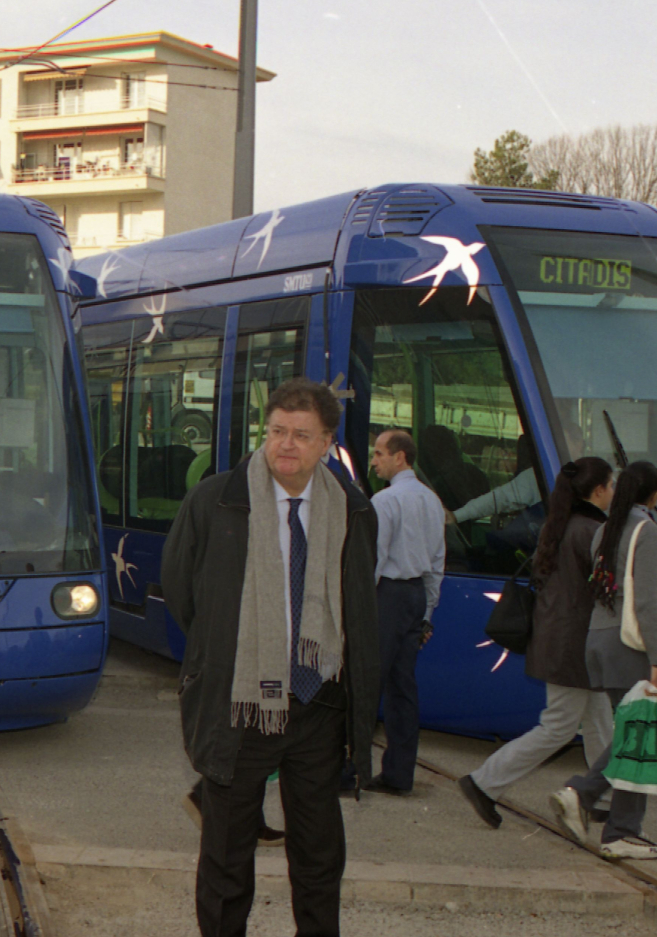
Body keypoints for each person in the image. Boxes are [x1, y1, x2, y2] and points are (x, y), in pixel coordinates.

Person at [163, 379, 379, 937]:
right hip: (241, 704)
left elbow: (359, 603)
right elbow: (183, 592)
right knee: (227, 855)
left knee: (318, 853)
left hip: (318, 703)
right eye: (277, 431)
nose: (286, 445)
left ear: (327, 443)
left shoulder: (352, 509)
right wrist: (228, 655)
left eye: (301, 436)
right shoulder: (217, 500)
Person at [460, 457, 615, 827]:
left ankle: (603, 797)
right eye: (611, 486)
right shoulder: (592, 531)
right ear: (597, 491)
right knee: (560, 726)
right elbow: (608, 589)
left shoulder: (560, 525)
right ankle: (483, 782)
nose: (614, 493)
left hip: (563, 641)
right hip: (574, 646)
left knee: (599, 720)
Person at [550, 460, 657, 860]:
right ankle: (596, 806)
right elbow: (644, 603)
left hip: (599, 640)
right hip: (630, 645)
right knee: (639, 735)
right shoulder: (647, 530)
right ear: (654, 495)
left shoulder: (605, 529)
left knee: (636, 731)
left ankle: (619, 824)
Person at [366, 428, 445, 796]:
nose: (374, 460)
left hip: (387, 595)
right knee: (403, 689)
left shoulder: (385, 501)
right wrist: (428, 609)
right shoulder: (431, 500)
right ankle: (399, 775)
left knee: (367, 683)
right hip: (415, 595)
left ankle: (351, 769)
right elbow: (437, 561)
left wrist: (360, 605)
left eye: (379, 453)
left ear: (400, 457)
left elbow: (376, 559)